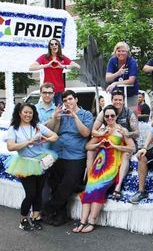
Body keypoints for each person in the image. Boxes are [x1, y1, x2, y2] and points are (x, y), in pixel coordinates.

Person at [72, 105, 134, 233]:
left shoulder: (122, 130)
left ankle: (92, 221)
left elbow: (132, 148)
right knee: (89, 188)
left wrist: (116, 146)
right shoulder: (102, 130)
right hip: (98, 164)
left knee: (98, 189)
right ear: (104, 118)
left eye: (112, 115)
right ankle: (82, 221)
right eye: (107, 116)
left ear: (116, 116)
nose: (110, 118)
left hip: (111, 165)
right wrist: (99, 143)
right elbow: (88, 146)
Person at [43, 90, 93, 226]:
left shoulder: (86, 114)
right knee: (56, 184)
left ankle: (47, 208)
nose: (68, 102)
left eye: (70, 99)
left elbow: (85, 133)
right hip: (58, 153)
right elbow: (53, 132)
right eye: (65, 100)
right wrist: (56, 118)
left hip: (76, 155)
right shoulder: (62, 115)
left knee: (69, 184)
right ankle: (60, 216)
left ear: (76, 99)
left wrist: (75, 116)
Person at [5, 103, 58, 231]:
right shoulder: (14, 129)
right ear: (19, 113)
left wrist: (46, 139)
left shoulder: (38, 126)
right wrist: (29, 142)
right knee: (30, 193)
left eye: (30, 112)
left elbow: (55, 136)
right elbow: (10, 147)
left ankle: (35, 217)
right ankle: (23, 220)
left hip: (41, 163)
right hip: (24, 164)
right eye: (25, 112)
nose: (28, 115)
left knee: (39, 192)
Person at [91, 90, 138, 198]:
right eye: (115, 100)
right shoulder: (105, 112)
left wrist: (127, 133)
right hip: (109, 140)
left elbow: (137, 133)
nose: (118, 102)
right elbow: (93, 131)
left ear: (123, 101)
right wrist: (102, 133)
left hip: (126, 142)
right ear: (111, 100)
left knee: (125, 155)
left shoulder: (129, 113)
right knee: (90, 151)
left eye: (120, 100)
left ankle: (118, 186)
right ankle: (90, 181)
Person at [29, 38, 81, 106]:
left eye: (56, 44)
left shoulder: (62, 57)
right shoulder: (44, 57)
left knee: (59, 111)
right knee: (50, 111)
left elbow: (77, 66)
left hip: (60, 89)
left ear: (58, 46)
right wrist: (46, 65)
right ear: (49, 47)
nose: (54, 45)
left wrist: (62, 66)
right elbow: (31, 68)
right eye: (52, 44)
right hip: (48, 90)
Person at [106, 42, 139, 109]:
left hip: (131, 93)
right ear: (115, 52)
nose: (121, 53)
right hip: (117, 93)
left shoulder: (132, 62)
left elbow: (131, 80)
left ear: (127, 52)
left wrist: (115, 83)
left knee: (132, 113)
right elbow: (108, 78)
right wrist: (117, 73)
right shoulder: (112, 61)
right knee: (117, 111)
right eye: (119, 51)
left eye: (123, 51)